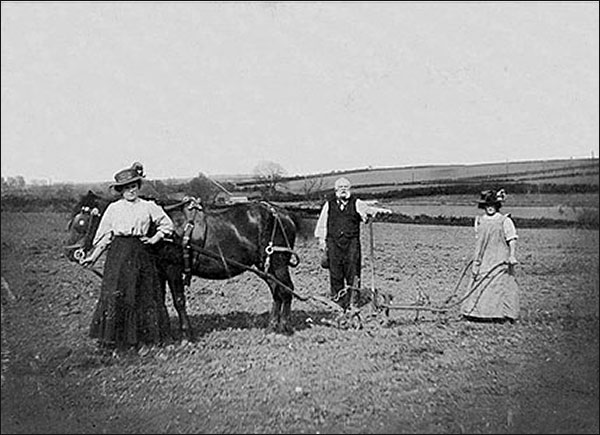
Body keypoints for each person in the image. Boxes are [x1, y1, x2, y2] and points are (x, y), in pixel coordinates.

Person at [81, 162, 175, 353]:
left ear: (138, 187)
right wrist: (93, 257)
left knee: (144, 295)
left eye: (133, 186)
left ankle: (144, 340)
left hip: (142, 254)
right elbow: (106, 236)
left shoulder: (149, 206)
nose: (131, 191)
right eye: (126, 188)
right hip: (119, 255)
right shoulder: (114, 209)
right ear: (121, 190)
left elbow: (167, 225)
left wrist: (154, 238)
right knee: (118, 294)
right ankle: (116, 341)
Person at [314, 177, 392, 306]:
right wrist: (322, 241)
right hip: (333, 244)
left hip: (352, 244)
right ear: (336, 190)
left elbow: (368, 211)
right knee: (335, 273)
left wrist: (377, 213)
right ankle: (338, 302)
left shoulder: (356, 203)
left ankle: (353, 302)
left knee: (353, 272)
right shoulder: (329, 204)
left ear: (349, 189)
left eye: (346, 187)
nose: (343, 190)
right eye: (340, 187)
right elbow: (322, 224)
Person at [461, 188, 520, 323]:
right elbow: (479, 240)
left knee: (499, 285)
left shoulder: (505, 221)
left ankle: (501, 315)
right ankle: (475, 313)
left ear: (497, 206)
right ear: (483, 206)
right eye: (487, 205)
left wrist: (512, 255)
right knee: (479, 282)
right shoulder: (480, 220)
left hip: (499, 257)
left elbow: (512, 239)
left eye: (493, 205)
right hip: (483, 257)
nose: (490, 208)